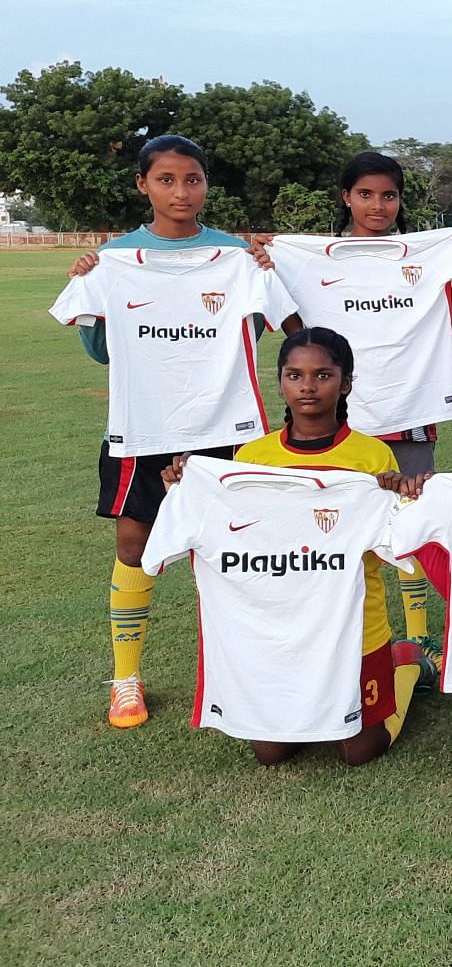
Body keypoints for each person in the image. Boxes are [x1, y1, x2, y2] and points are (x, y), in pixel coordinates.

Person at [50, 134, 293, 730]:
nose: (181, 192)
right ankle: (125, 678)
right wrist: (92, 286)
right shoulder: (113, 259)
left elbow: (267, 328)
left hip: (228, 427)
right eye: (166, 180)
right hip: (143, 429)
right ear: (143, 185)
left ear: (207, 184)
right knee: (134, 548)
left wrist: (262, 268)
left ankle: (247, 668)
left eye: (193, 179)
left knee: (236, 546)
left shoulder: (237, 257)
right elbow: (104, 351)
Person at [161, 327, 429, 763]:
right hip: (279, 626)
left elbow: (398, 537)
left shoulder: (372, 456)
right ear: (281, 380)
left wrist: (403, 496)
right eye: (295, 374)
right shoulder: (252, 457)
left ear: (345, 383)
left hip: (355, 627)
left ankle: (406, 663)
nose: (307, 386)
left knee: (359, 751)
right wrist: (184, 487)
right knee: (271, 752)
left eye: (323, 375)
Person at [256, 150, 452, 673]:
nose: (378, 205)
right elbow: (295, 328)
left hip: (409, 405)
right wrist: (266, 258)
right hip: (338, 421)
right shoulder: (310, 256)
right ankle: (341, 636)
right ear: (346, 196)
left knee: (410, 525)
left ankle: (419, 644)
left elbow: (445, 319)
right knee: (329, 530)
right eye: (366, 194)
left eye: (389, 195)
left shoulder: (423, 252)